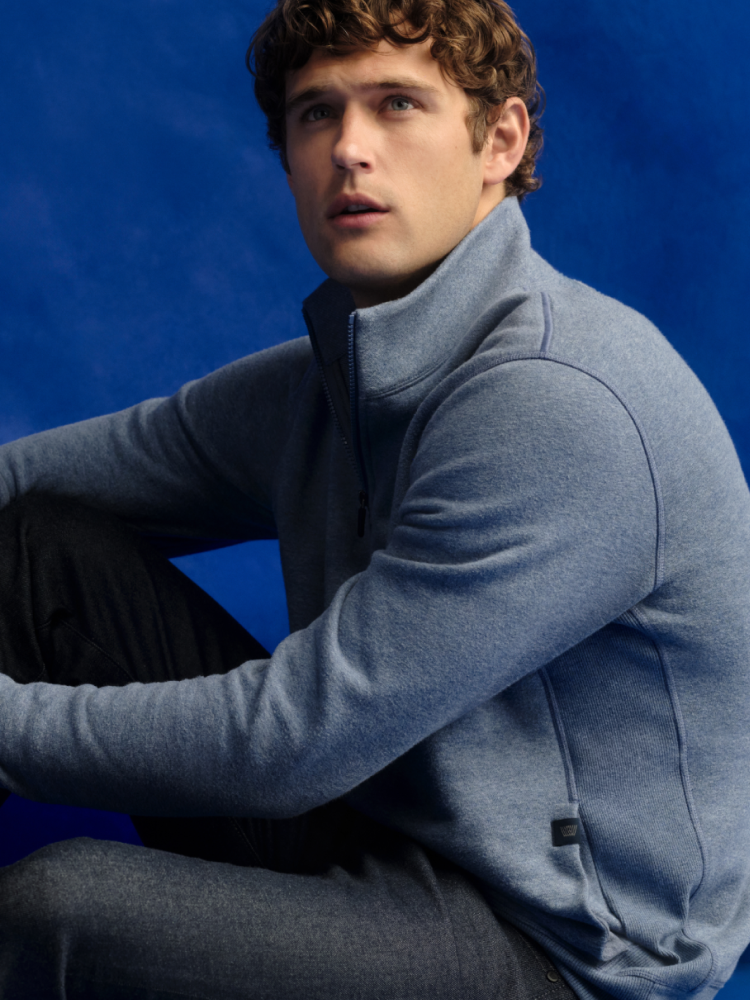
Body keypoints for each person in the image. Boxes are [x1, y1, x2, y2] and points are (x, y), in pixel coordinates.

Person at [0, 0, 748, 996]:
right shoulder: (336, 379)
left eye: (398, 103)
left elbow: (289, 742)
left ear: (500, 141)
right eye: (317, 112)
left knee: (52, 912)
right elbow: (41, 478)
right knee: (33, 545)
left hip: (565, 944)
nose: (350, 148)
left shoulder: (560, 399)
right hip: (382, 819)